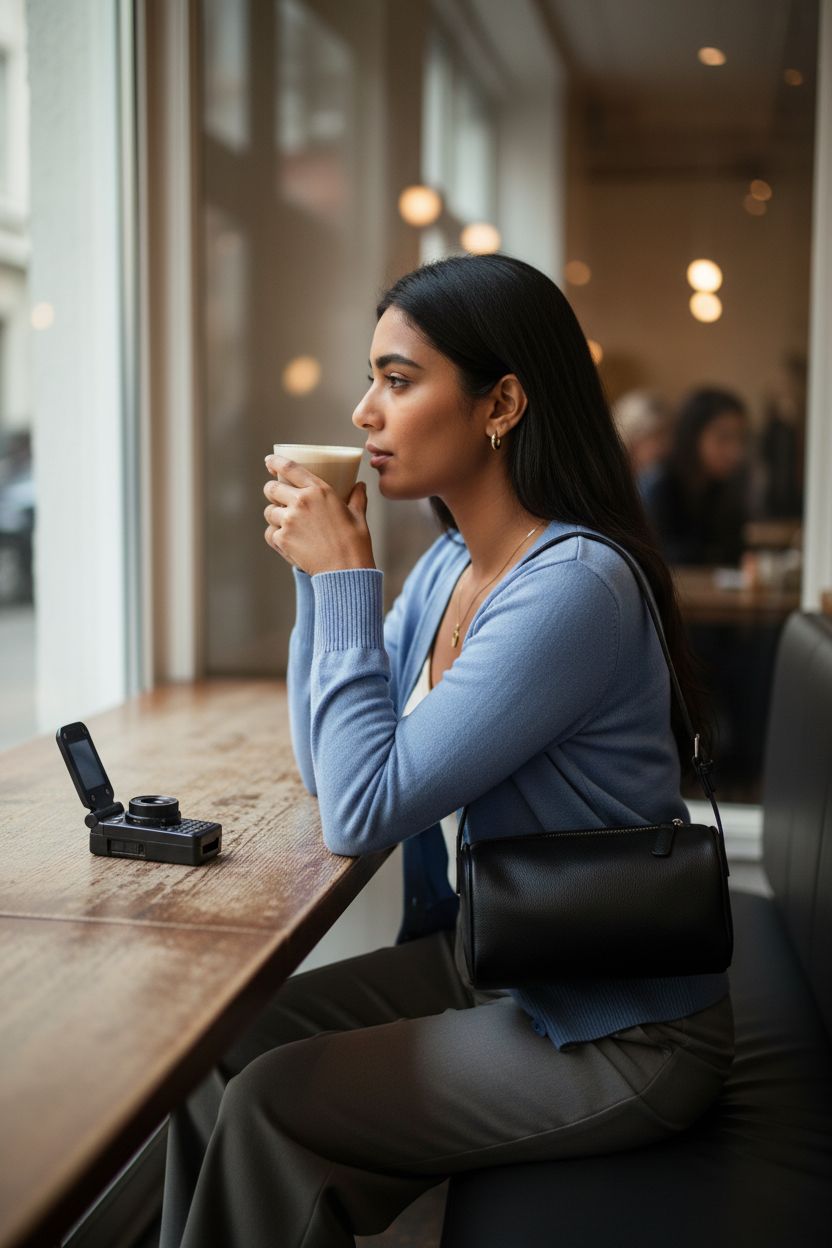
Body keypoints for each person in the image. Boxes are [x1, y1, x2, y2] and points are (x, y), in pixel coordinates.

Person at [159, 254, 734, 1248]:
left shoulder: (571, 589)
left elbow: (360, 811)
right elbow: (325, 762)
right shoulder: (449, 569)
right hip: (497, 965)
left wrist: (342, 583)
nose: (361, 414)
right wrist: (322, 576)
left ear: (501, 402)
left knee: (272, 1102)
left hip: (617, 1027)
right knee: (212, 1049)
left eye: (395, 379)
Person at [641, 387, 751, 567]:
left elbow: (735, 553)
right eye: (723, 438)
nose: (736, 452)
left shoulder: (723, 488)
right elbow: (659, 558)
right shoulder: (658, 485)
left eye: (741, 439)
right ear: (692, 436)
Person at [611, 388, 672, 498]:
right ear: (633, 436)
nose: (666, 446)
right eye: (657, 436)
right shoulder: (613, 481)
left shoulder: (654, 479)